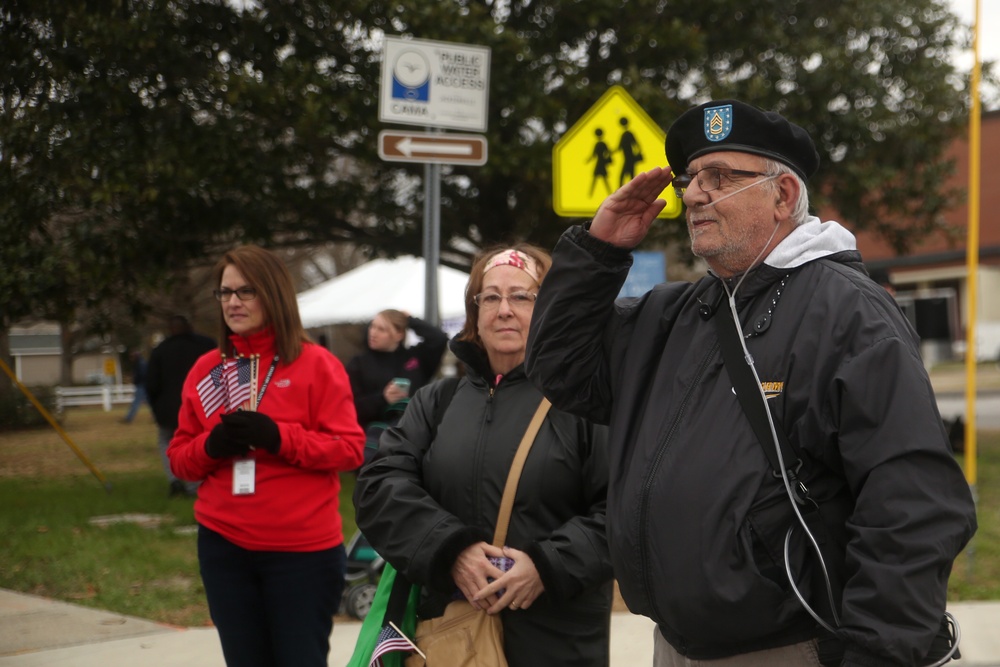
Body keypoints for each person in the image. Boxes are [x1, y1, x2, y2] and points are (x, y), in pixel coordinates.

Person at [525, 99, 977, 667]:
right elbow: (561, 370)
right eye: (692, 179)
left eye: (719, 178)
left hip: (792, 646)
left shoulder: (847, 312)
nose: (692, 195)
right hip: (678, 644)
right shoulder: (675, 313)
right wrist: (599, 250)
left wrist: (879, 655)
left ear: (783, 196)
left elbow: (912, 505)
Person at [354, 244, 614, 666]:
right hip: (452, 639)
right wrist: (451, 550)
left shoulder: (585, 404)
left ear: (551, 308)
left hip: (557, 642)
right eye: (490, 297)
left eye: (521, 296)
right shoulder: (437, 401)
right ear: (475, 313)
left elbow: (623, 509)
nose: (504, 309)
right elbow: (379, 488)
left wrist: (547, 566)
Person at [167, 245, 366, 667]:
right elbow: (180, 460)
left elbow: (350, 450)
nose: (233, 302)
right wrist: (212, 446)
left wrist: (280, 438)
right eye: (225, 292)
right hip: (224, 548)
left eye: (246, 291)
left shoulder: (318, 365)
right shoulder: (208, 369)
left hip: (302, 553)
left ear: (273, 294)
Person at [346, 308, 448, 460]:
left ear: (399, 335)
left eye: (382, 329)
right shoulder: (358, 364)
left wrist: (410, 320)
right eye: (372, 326)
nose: (373, 333)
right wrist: (383, 398)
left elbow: (439, 338)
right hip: (374, 446)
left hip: (413, 441)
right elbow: (350, 408)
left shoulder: (415, 358)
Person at [146, 315, 216, 497]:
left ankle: (174, 480)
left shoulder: (161, 350)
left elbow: (151, 383)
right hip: (202, 405)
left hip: (167, 407)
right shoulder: (206, 345)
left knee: (167, 441)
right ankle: (193, 486)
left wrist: (155, 407)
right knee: (195, 441)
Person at [120, 350, 148, 423]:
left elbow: (142, 375)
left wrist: (136, 380)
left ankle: (129, 418)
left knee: (136, 402)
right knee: (150, 402)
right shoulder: (140, 363)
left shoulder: (140, 364)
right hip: (143, 385)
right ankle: (158, 417)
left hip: (141, 386)